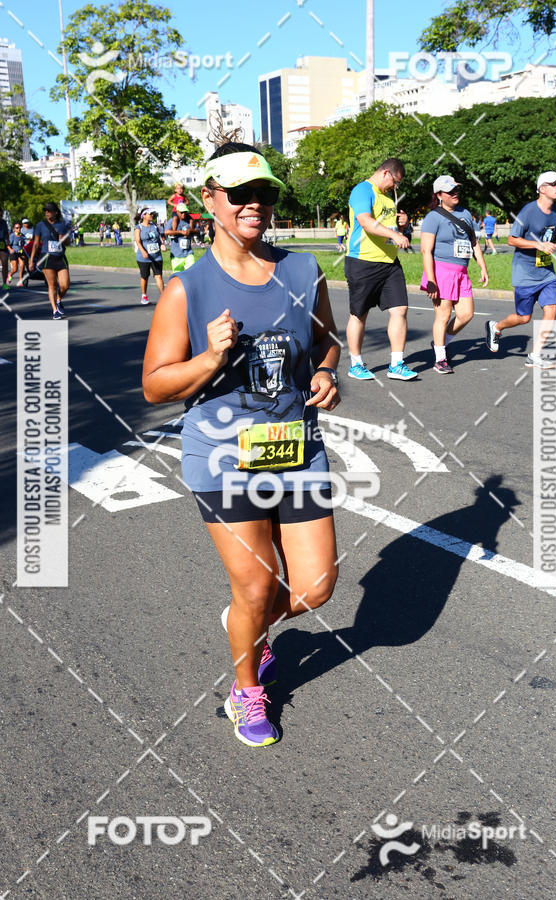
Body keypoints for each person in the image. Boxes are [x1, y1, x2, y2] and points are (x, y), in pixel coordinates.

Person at [142, 137, 340, 748]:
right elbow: (155, 386)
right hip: (223, 456)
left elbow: (327, 342)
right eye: (239, 194)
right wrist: (210, 355)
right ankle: (245, 690)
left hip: (296, 446)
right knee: (255, 585)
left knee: (314, 587)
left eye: (264, 193)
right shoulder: (186, 288)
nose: (253, 204)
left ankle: (246, 628)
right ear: (211, 200)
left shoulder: (304, 270)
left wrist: (329, 372)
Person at [485, 171, 556, 368]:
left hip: (546, 270)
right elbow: (511, 239)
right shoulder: (528, 211)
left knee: (552, 309)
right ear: (542, 189)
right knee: (523, 318)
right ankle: (496, 327)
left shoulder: (554, 211)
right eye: (554, 184)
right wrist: (539, 245)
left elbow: (545, 238)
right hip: (525, 273)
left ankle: (535, 355)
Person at [345, 158, 417, 382]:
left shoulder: (387, 197)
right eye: (395, 182)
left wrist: (403, 225)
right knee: (359, 314)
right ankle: (356, 364)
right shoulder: (362, 190)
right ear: (386, 173)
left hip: (389, 263)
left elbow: (388, 225)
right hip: (363, 261)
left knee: (400, 309)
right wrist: (395, 235)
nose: (396, 187)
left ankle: (397, 364)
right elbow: (366, 222)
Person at [420, 175, 489, 374]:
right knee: (443, 316)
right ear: (439, 195)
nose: (455, 193)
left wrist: (482, 267)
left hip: (461, 272)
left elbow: (474, 242)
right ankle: (440, 359)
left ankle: (441, 342)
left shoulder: (465, 213)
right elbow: (426, 250)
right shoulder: (433, 217)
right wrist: (431, 279)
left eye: (456, 190)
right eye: (450, 191)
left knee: (466, 314)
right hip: (441, 271)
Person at [29, 202, 71, 319]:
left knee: (65, 285)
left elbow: (67, 242)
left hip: (60, 257)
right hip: (47, 258)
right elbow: (36, 244)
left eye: (49, 210)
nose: (46, 213)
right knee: (52, 285)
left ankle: (58, 299)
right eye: (45, 211)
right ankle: (54, 311)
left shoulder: (62, 225)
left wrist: (64, 239)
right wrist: (31, 260)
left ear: (55, 212)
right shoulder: (40, 225)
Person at [134, 208, 164, 305]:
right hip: (144, 257)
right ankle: (144, 295)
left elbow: (159, 238)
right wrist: (143, 251)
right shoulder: (139, 227)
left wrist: (162, 244)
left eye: (152, 214)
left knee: (158, 276)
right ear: (144, 216)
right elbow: (138, 241)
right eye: (150, 214)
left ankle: (163, 297)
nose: (152, 215)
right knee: (145, 277)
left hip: (156, 256)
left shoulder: (155, 226)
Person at [164, 203, 197, 272]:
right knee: (178, 276)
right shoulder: (172, 221)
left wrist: (190, 230)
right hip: (176, 254)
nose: (183, 214)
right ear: (177, 212)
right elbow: (166, 232)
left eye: (185, 212)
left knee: (191, 272)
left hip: (188, 253)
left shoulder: (190, 220)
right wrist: (181, 232)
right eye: (181, 212)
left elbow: (198, 231)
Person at [8, 221, 27, 286]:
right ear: (14, 229)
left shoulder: (22, 236)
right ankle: (10, 275)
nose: (18, 229)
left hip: (21, 253)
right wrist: (10, 249)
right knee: (15, 269)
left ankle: (21, 280)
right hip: (14, 253)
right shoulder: (12, 236)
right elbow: (8, 245)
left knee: (22, 265)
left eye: (19, 228)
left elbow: (26, 243)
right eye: (17, 228)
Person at [0, 211, 10, 289]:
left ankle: (4, 284)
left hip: (2, 245)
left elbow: (6, 233)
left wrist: (7, 241)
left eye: (1, 215)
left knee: (5, 263)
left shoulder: (4, 222)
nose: (0, 216)